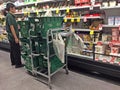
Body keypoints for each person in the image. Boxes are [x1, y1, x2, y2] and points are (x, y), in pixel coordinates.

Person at [6, 3, 24, 68]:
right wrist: (16, 37)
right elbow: (11, 27)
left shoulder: (10, 15)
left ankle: (13, 62)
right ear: (11, 8)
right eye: (14, 8)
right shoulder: (10, 16)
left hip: (11, 36)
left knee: (12, 49)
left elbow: (14, 25)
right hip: (13, 36)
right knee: (16, 50)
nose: (15, 9)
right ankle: (18, 64)